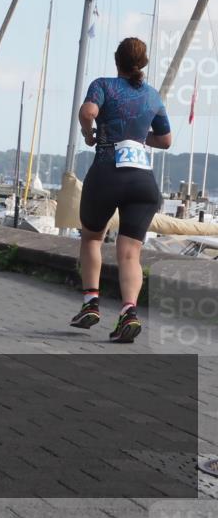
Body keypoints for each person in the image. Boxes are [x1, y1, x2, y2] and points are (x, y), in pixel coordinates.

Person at [71, 37, 171, 342]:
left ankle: (91, 303)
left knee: (92, 238)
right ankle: (129, 311)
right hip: (143, 181)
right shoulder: (153, 96)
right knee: (130, 254)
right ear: (142, 64)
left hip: (107, 173)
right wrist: (140, 138)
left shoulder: (103, 85)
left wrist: (90, 134)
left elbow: (87, 112)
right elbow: (166, 140)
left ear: (118, 61)